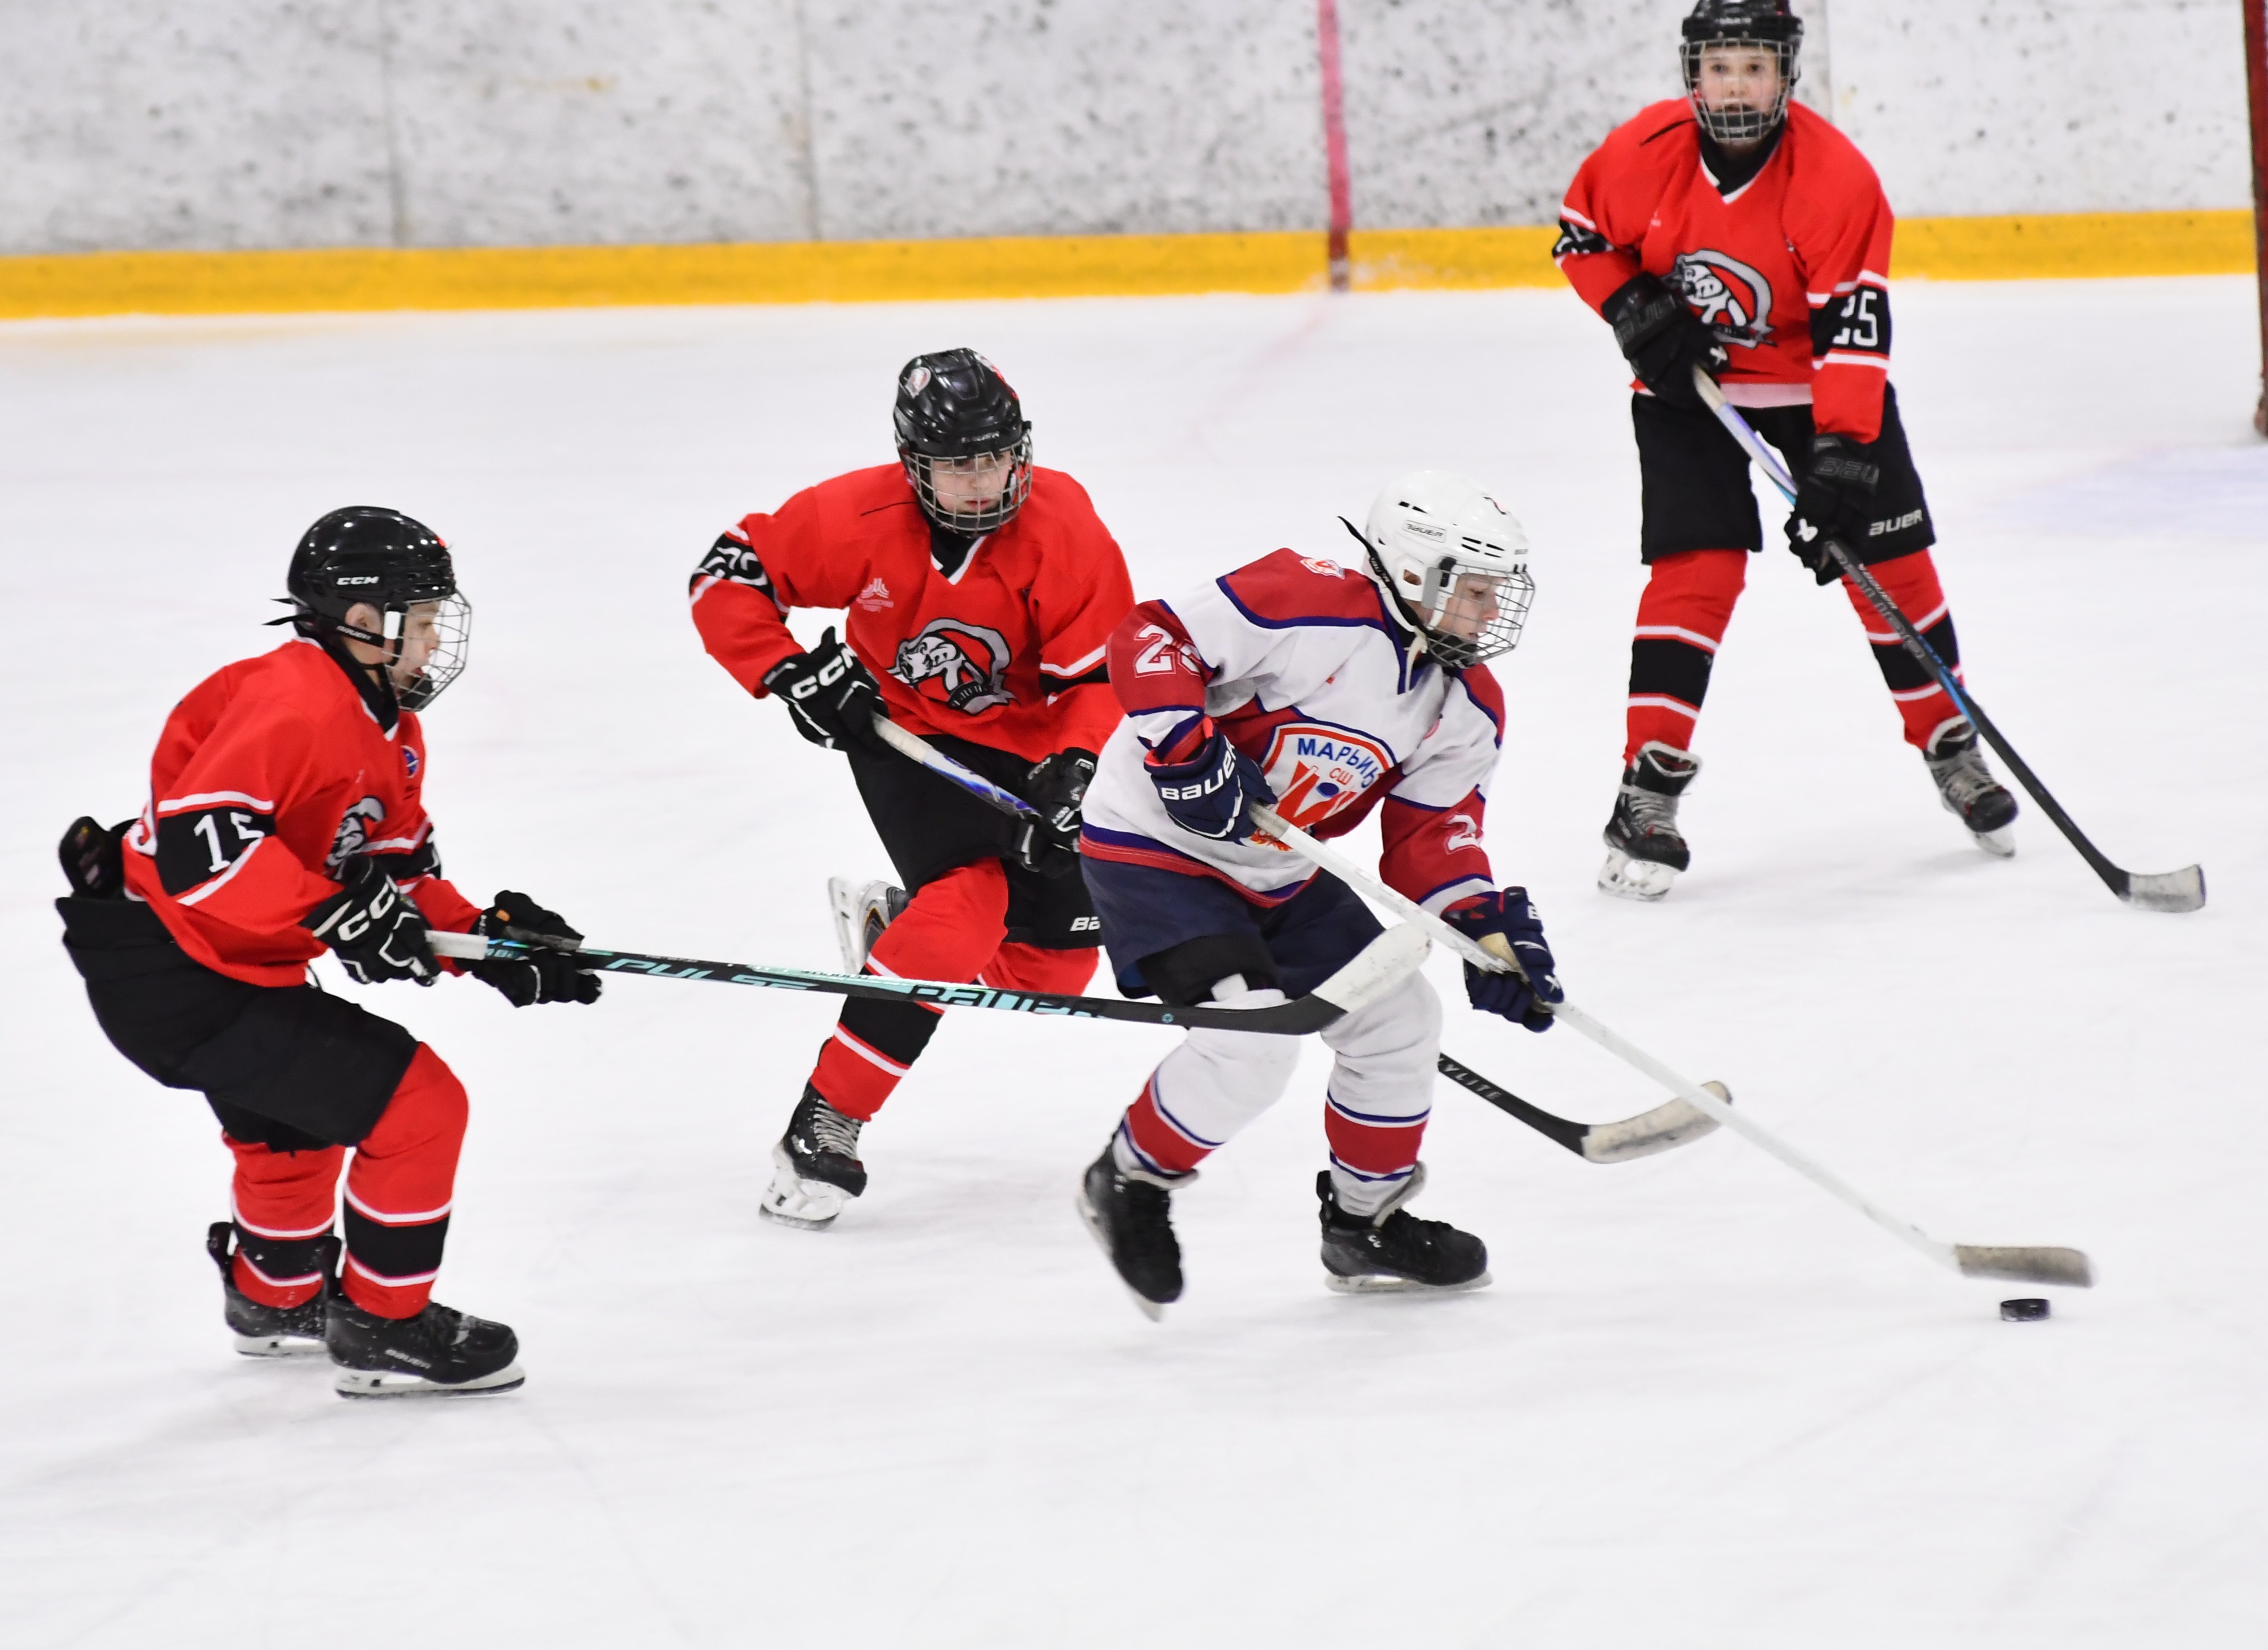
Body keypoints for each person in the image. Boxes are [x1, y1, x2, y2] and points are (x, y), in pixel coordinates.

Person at [55, 508, 601, 1398]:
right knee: (420, 1106)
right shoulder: (295, 699)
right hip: (176, 972)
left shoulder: (388, 726)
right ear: (358, 619)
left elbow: (392, 869)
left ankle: (274, 1302)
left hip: (215, 964)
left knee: (292, 1139)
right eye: (418, 621)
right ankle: (384, 1326)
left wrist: (491, 941)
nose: (433, 642)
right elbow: (202, 851)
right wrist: (339, 916)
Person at [1552, 0, 2018, 902]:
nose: (1733, 88)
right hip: (1692, 393)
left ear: (1784, 75)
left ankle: (1950, 744)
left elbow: (1853, 336)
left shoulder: (1835, 179)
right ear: (1693, 71)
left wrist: (1844, 450)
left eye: (1753, 69)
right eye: (1718, 66)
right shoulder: (1641, 153)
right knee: (1696, 572)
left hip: (1818, 395)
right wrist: (1632, 307)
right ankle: (1645, 791)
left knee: (1892, 570)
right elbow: (1578, 239)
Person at [1071, 470, 1561, 1317]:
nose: (1490, 614)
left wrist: (1482, 929)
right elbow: (1150, 639)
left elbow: (1429, 839)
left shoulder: (1467, 703)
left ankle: (1363, 1225)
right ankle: (1129, 1180)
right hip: (1155, 846)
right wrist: (1186, 752)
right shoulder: (1308, 600)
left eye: (1495, 593)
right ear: (1415, 574)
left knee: (1400, 1020)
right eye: (1475, 591)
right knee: (1252, 1045)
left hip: (1281, 871)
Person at [691, 348, 1136, 1229]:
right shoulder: (859, 514)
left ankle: (895, 937)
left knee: (1056, 967)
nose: (984, 483)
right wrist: (789, 674)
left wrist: (1079, 767)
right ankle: (825, 1124)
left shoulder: (1063, 525)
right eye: (957, 463)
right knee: (962, 912)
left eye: (998, 457)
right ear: (913, 466)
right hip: (908, 737)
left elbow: (1098, 676)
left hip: (1036, 750)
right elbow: (726, 573)